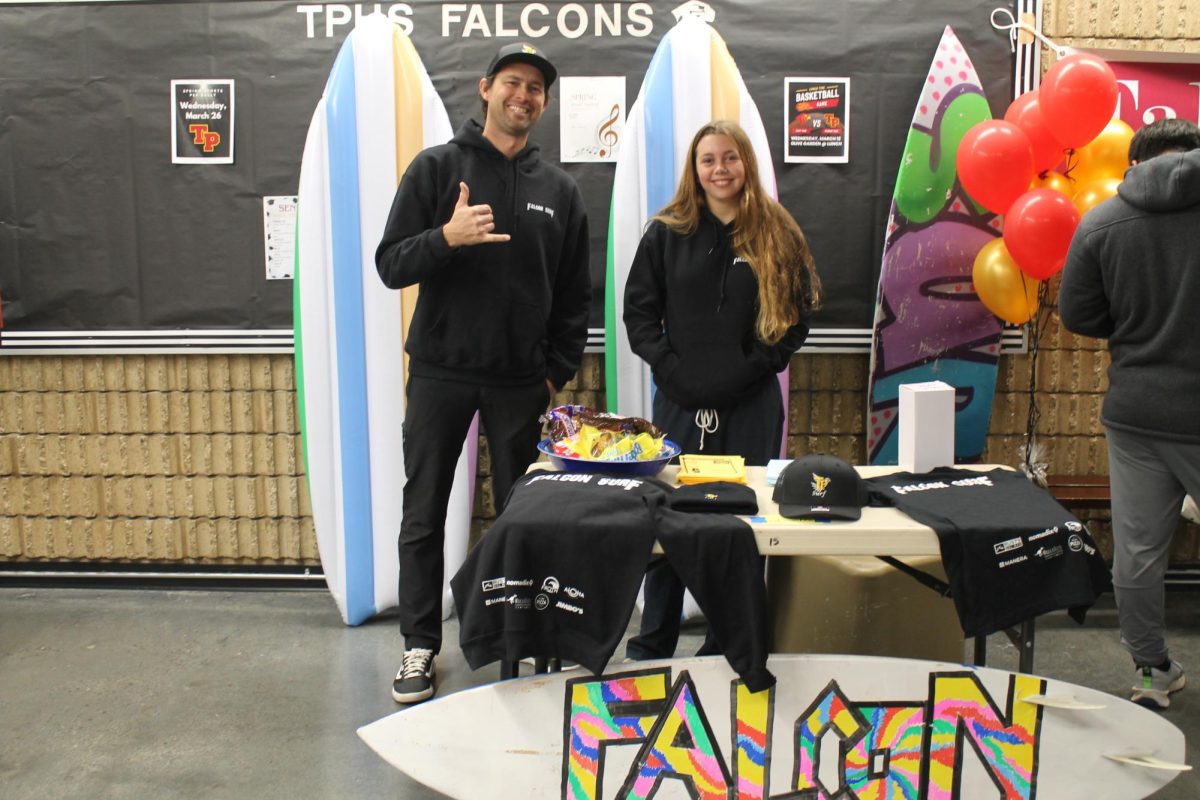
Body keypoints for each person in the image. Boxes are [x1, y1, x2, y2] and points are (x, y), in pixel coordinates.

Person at [375, 42, 591, 703]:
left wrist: (553, 371)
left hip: (520, 384)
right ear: (486, 89)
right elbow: (391, 264)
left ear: (544, 104)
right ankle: (419, 646)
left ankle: (520, 639)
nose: (523, 96)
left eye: (535, 89)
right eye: (512, 83)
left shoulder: (561, 190)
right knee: (424, 513)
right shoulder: (437, 168)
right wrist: (447, 237)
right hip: (441, 372)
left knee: (523, 519)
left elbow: (573, 294)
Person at [622, 119, 821, 660]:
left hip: (750, 403)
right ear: (695, 169)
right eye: (708, 160)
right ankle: (654, 640)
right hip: (680, 402)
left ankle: (724, 639)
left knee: (741, 521)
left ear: (745, 163)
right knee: (671, 517)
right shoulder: (667, 231)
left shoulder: (776, 230)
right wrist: (670, 368)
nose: (719, 169)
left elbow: (799, 315)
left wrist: (757, 367)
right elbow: (638, 313)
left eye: (729, 158)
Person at [1059, 117, 1200, 710]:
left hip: (1138, 411)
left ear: (1133, 162)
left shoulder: (1100, 222)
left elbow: (1079, 316)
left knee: (1139, 552)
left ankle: (1150, 672)